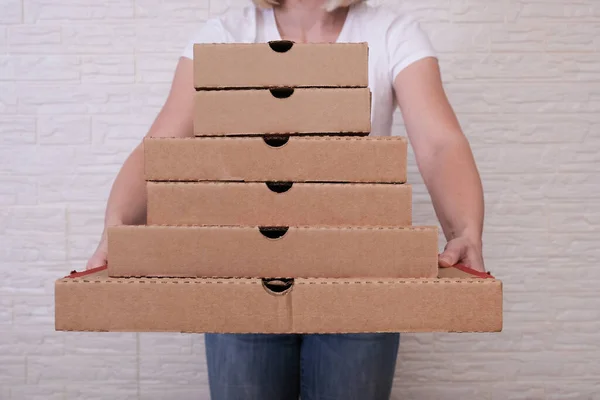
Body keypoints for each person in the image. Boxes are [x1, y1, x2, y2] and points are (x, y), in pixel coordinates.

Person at [87, 0, 486, 398]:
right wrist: (118, 227)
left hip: (357, 274)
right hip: (242, 275)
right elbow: (163, 143)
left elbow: (438, 144)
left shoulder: (391, 32)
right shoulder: (226, 34)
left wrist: (464, 230)